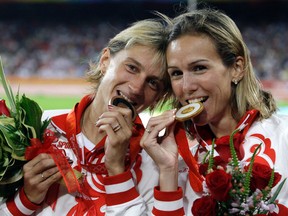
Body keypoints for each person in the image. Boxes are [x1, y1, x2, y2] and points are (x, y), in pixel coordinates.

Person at [0, 17, 172, 215]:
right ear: (105, 61)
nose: (136, 88)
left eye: (153, 83)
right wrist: (27, 199)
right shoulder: (36, 130)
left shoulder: (155, 161)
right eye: (131, 67)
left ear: (158, 98)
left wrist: (117, 170)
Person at [140, 8, 288, 215]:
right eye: (176, 73)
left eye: (199, 68)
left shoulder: (283, 135)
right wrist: (167, 171)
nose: (186, 86)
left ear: (236, 68)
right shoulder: (173, 156)